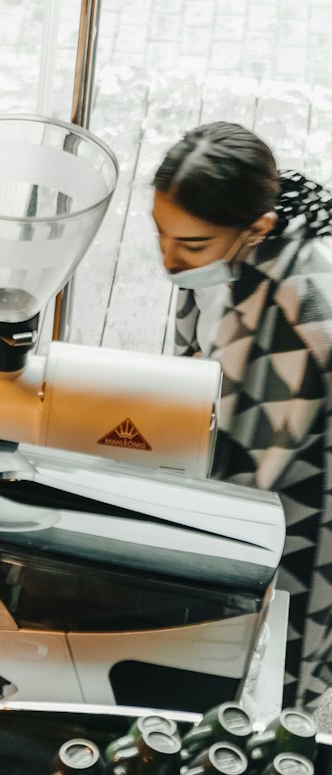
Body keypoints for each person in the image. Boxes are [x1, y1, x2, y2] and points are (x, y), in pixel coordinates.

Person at [152, 120, 332, 705]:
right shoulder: (221, 248)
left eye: (192, 246)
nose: (170, 261)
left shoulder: (304, 317)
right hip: (240, 470)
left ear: (259, 228)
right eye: (160, 234)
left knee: (266, 665)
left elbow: (252, 486)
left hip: (297, 505)